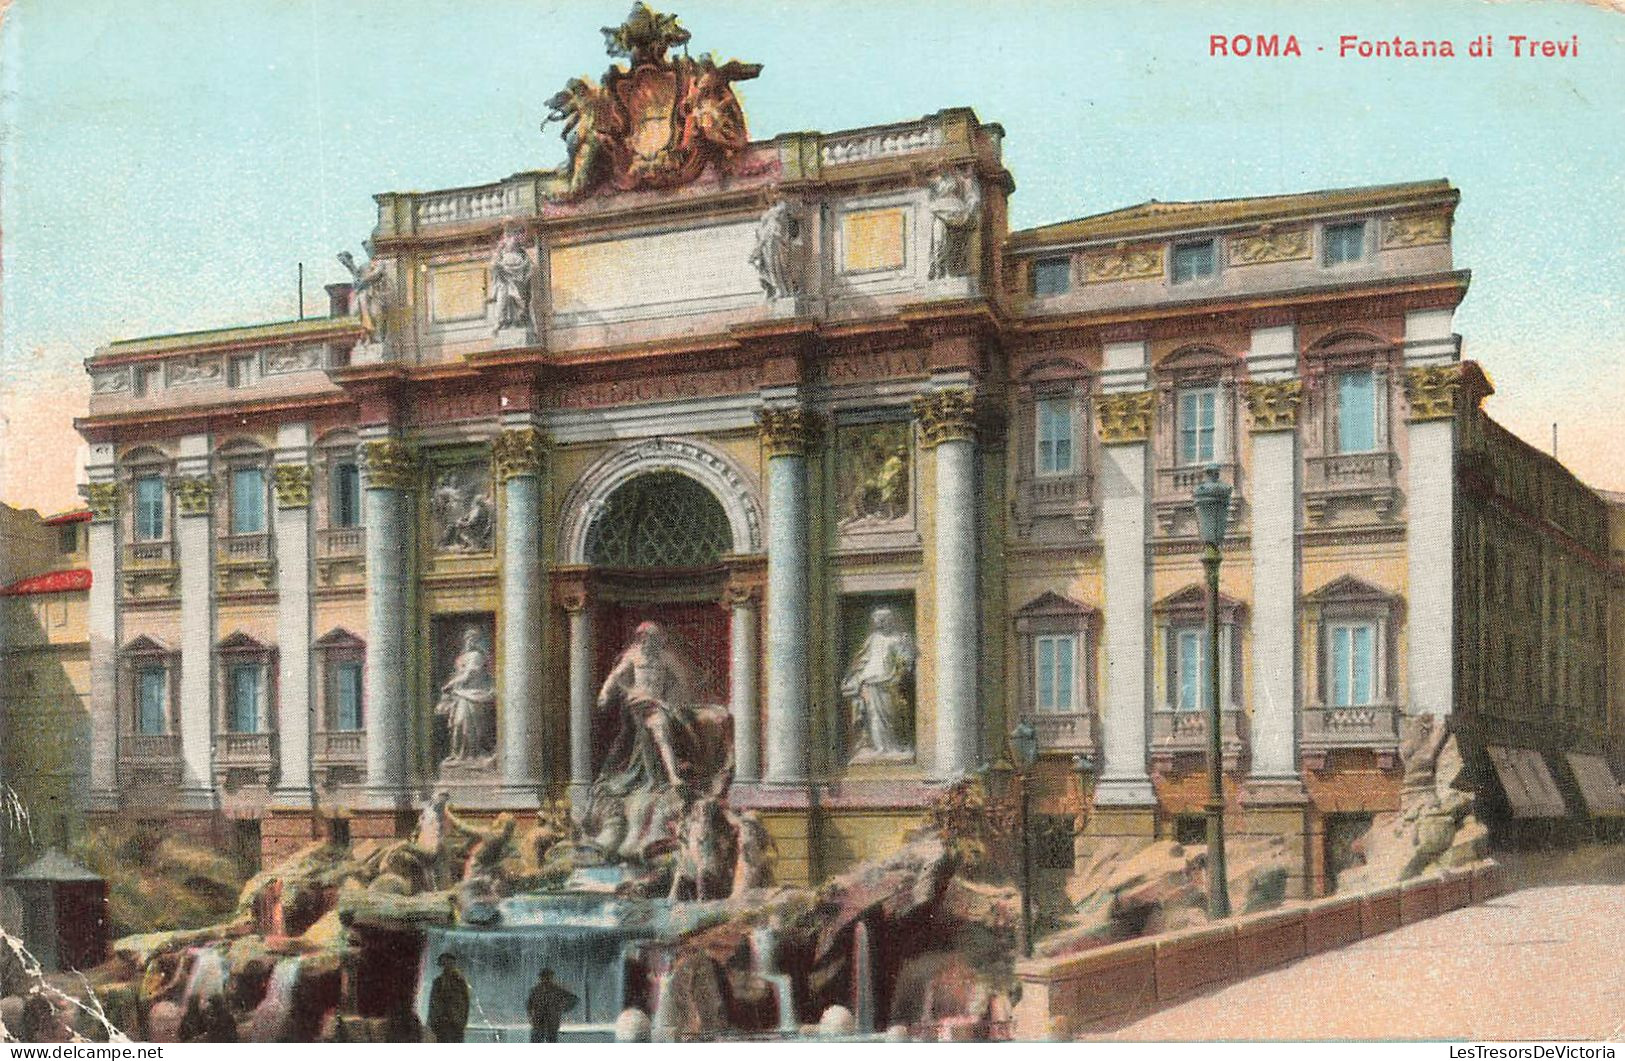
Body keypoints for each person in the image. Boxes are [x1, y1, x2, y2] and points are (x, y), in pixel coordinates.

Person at [842, 607, 918, 761]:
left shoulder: (898, 639)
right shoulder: (873, 638)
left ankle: (893, 747)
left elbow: (906, 660)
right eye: (878, 622)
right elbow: (863, 659)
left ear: (890, 620)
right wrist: (856, 676)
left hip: (889, 682)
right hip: (869, 681)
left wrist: (907, 650)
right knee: (872, 716)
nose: (881, 624)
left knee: (890, 715)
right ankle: (880, 748)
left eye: (884, 621)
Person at [427, 952, 471, 1044]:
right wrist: (431, 1021)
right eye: (444, 963)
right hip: (441, 1023)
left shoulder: (460, 982)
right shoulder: (438, 982)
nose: (447, 966)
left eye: (449, 963)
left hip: (455, 1023)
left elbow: (466, 1003)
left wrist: (462, 1021)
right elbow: (432, 1003)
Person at [526, 968, 579, 1043]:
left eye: (548, 977)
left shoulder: (558, 990)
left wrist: (563, 1008)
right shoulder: (535, 990)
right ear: (540, 978)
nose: (545, 979)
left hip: (552, 1024)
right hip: (538, 1023)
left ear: (551, 977)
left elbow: (574, 999)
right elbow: (529, 1005)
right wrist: (530, 1017)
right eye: (543, 977)